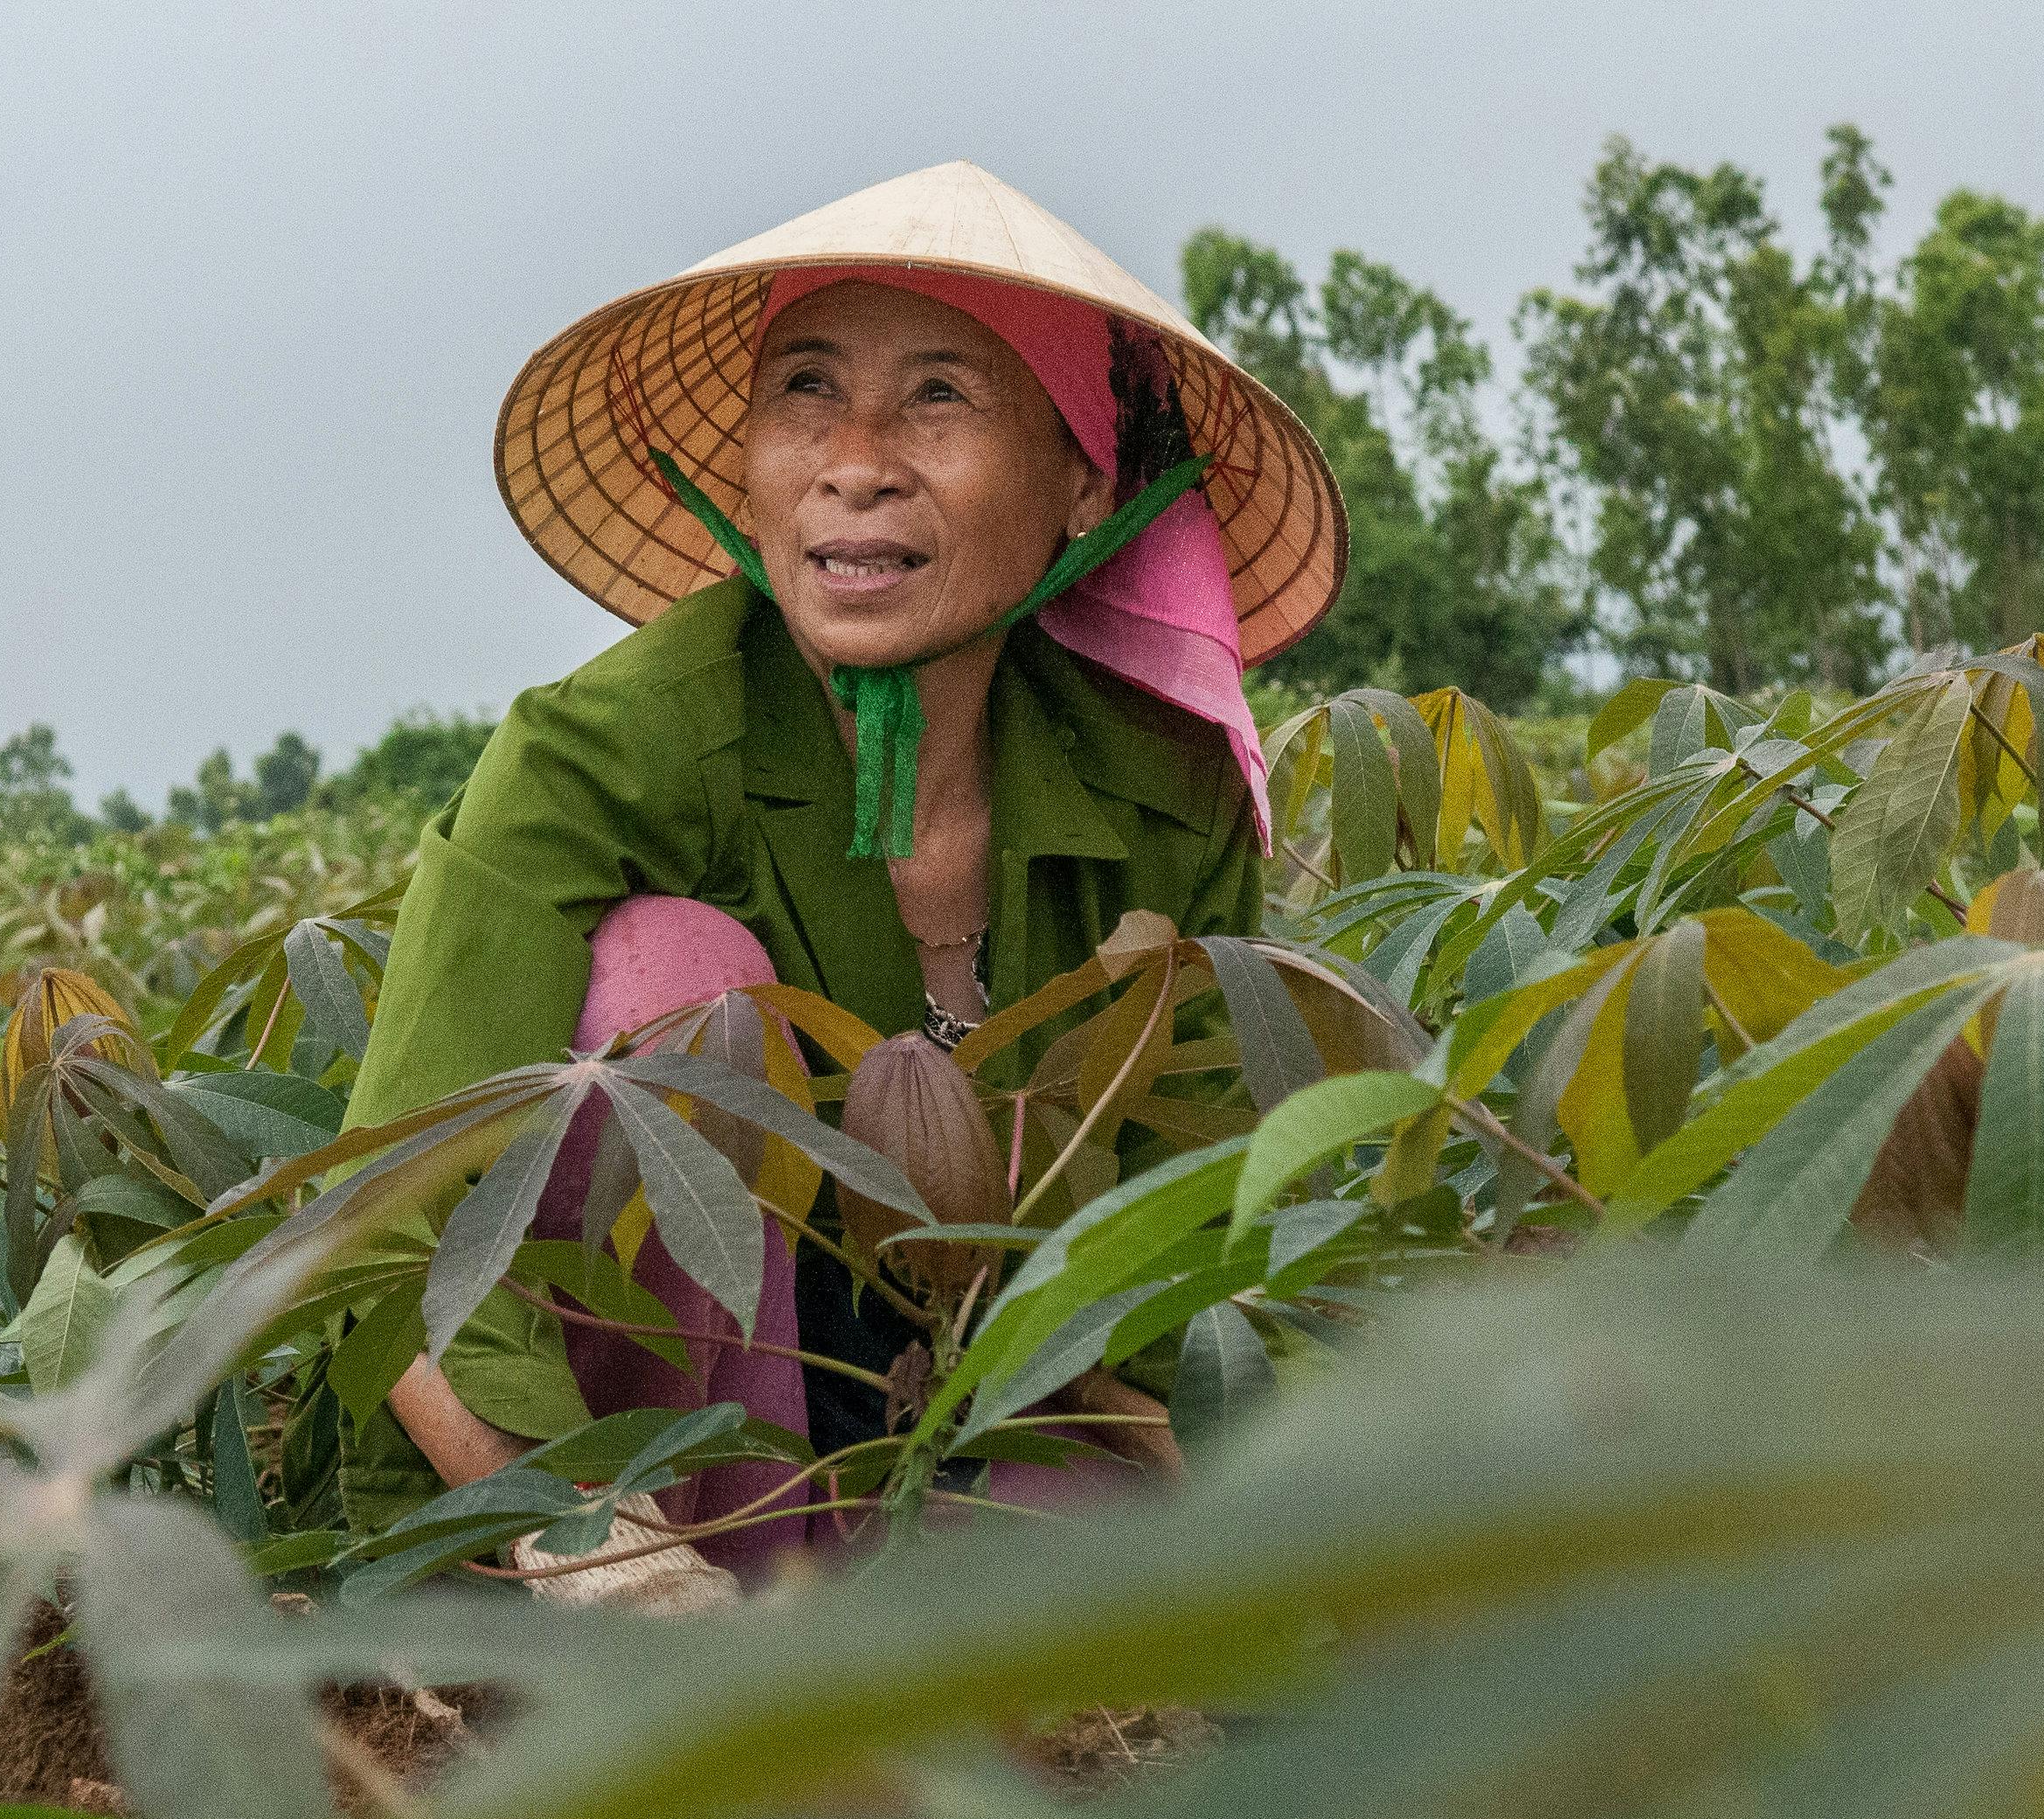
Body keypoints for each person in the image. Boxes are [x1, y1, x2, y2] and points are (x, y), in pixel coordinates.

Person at [343, 163, 1347, 1603]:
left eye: (940, 397)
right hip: (572, 1490)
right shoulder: (606, 751)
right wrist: (594, 1546)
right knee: (673, 977)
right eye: (806, 389)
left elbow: (1194, 1259)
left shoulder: (1164, 802)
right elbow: (385, 1230)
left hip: (954, 1445)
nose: (856, 457)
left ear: (1080, 481)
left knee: (1083, 1559)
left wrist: (1318, 1544)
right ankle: (706, 1637)